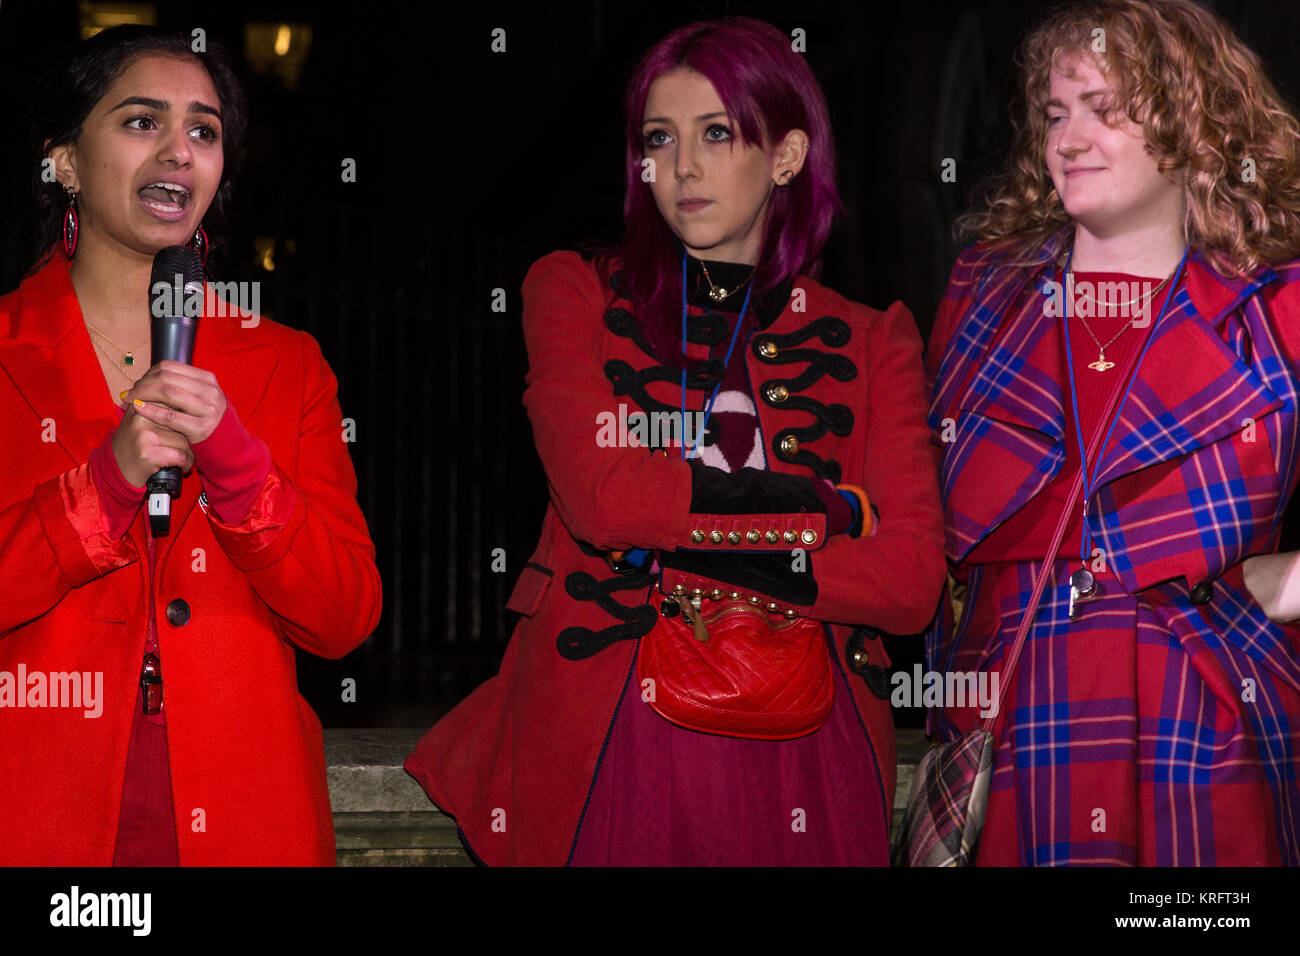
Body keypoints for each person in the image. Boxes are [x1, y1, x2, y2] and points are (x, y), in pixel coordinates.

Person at [405, 16, 944, 865]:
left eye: (718, 133)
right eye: (659, 137)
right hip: (618, 719)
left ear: (789, 157)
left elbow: (911, 582)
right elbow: (602, 498)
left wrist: (682, 545)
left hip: (813, 736)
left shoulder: (875, 338)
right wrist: (823, 509)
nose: (682, 166)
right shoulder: (571, 291)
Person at [925, 0, 1300, 865]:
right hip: (1010, 721)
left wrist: (1280, 584)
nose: (1067, 138)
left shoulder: (1276, 304)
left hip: (1201, 733)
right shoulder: (986, 287)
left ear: (1193, 121)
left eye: (1106, 109)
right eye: (1056, 113)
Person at [0, 25, 381, 865]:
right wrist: (101, 488)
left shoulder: (288, 364)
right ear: (62, 160)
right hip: (33, 804)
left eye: (204, 131)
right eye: (142, 121)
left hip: (241, 809)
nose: (180, 151)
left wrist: (242, 467)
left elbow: (344, 617)